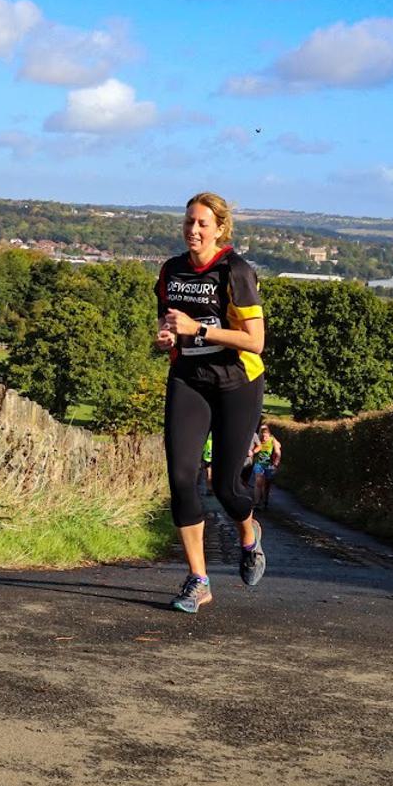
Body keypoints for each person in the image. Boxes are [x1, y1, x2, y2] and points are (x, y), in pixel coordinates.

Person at [154, 191, 268, 613]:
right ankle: (198, 580)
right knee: (182, 478)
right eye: (188, 222)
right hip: (189, 379)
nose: (193, 230)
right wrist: (167, 335)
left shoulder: (235, 271)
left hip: (238, 382)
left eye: (202, 223)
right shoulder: (171, 271)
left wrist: (198, 330)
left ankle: (248, 532)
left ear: (220, 228)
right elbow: (168, 323)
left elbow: (255, 342)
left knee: (225, 486)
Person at [250, 421, 282, 509]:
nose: (264, 438)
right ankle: (256, 503)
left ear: (269, 434)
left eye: (266, 436)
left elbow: (277, 452)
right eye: (262, 435)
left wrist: (275, 464)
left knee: (266, 485)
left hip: (269, 465)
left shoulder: (272, 440)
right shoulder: (257, 439)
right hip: (259, 464)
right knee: (258, 482)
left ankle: (264, 501)